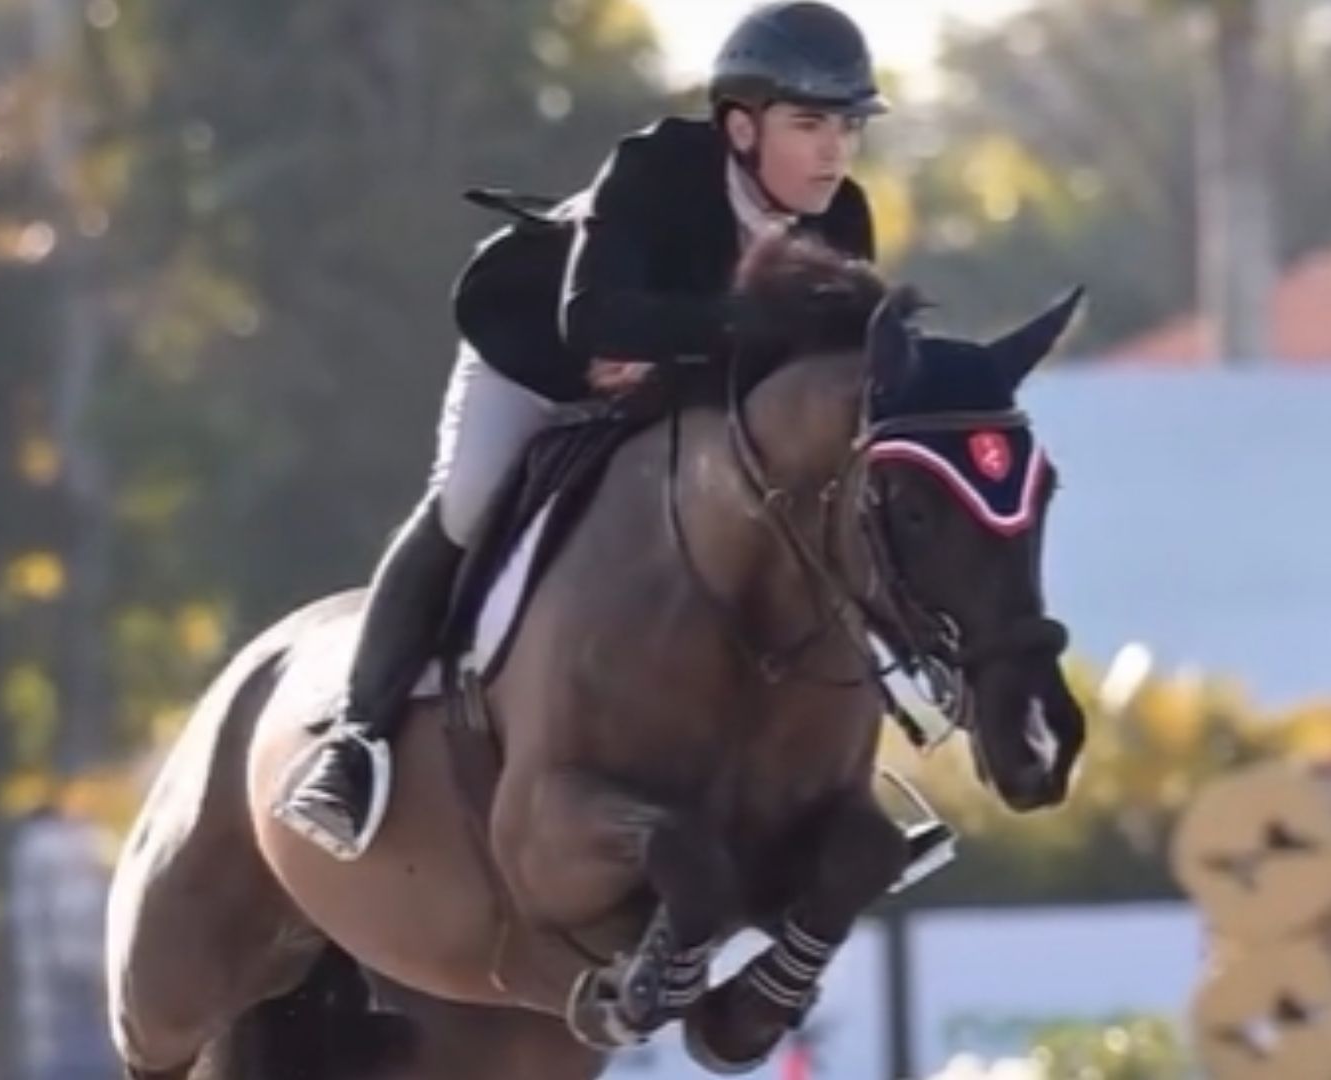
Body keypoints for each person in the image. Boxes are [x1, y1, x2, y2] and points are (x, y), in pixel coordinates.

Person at [275, 1, 890, 862]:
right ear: (742, 127)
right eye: (811, 124)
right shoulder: (657, 168)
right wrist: (739, 331)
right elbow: (595, 320)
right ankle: (355, 739)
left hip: (673, 390)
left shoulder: (843, 219)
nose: (834, 151)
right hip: (535, 360)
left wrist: (684, 350)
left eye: (848, 128)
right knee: (470, 498)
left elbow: (805, 378)